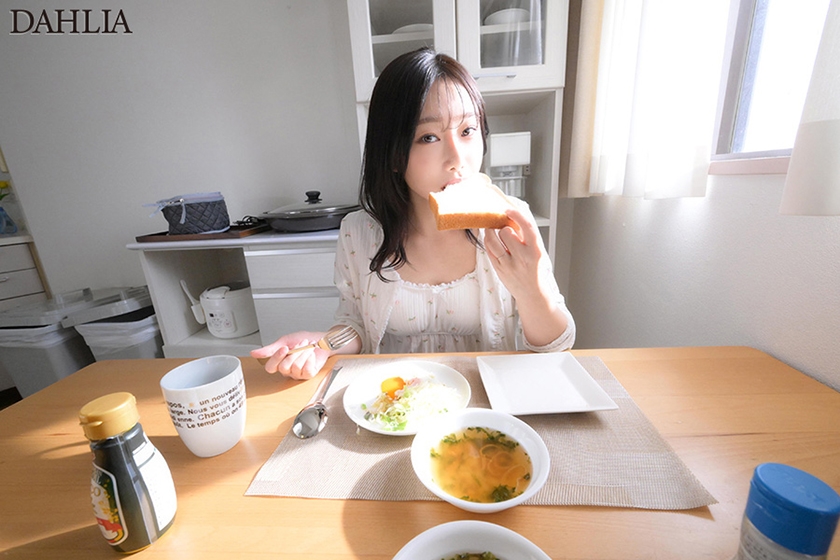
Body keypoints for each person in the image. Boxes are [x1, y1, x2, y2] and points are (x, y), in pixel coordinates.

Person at [251, 48, 575, 379]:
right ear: (393, 153)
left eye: (467, 130)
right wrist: (322, 344)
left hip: (485, 397)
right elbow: (355, 323)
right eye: (428, 137)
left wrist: (531, 290)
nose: (457, 158)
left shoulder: (510, 221)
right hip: (397, 397)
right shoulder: (358, 232)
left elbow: (557, 346)